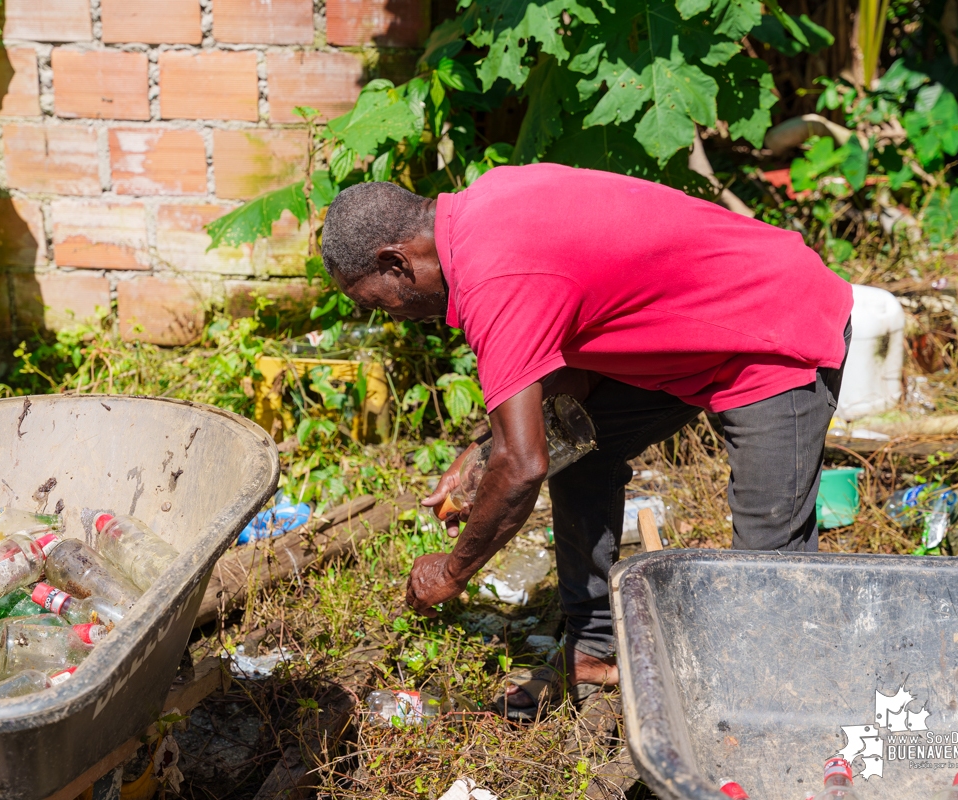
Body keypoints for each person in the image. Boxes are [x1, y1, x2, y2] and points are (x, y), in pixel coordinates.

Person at [318, 164, 853, 719]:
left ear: (396, 262)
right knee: (579, 449)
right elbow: (566, 377)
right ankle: (594, 647)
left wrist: (452, 572)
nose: (400, 317)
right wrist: (484, 454)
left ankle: (786, 712)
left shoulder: (492, 278)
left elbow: (523, 465)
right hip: (691, 333)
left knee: (769, 561)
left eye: (384, 303)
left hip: (774, 324)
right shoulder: (484, 208)